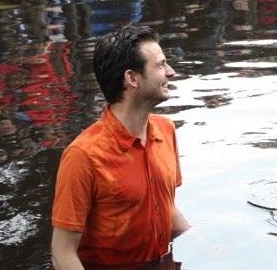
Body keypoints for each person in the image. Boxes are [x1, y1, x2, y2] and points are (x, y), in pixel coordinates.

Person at [51, 25, 191, 268]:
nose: (171, 72)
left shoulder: (166, 130)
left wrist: (210, 247)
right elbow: (62, 253)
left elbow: (165, 205)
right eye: (160, 65)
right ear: (132, 78)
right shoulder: (83, 155)